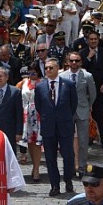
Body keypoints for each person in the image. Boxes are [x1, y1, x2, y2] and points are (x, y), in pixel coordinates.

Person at [34, 58, 77, 196]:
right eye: (46, 68)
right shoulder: (40, 86)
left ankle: (68, 179)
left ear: (57, 68)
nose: (48, 70)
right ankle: (54, 185)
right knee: (50, 158)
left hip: (65, 125)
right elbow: (39, 106)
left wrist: (64, 116)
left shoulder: (68, 84)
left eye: (51, 68)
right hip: (48, 126)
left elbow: (73, 104)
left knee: (68, 156)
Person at [60, 51, 97, 176]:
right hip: (67, 112)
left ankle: (82, 167)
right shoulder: (62, 76)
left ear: (81, 62)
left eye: (77, 60)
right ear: (67, 62)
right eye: (72, 60)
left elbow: (92, 94)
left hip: (82, 111)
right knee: (67, 141)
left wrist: (87, 106)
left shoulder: (87, 76)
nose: (74, 63)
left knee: (83, 142)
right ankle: (69, 167)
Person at [17, 62, 43, 182]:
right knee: (30, 142)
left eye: (34, 72)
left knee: (37, 143)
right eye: (30, 72)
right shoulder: (23, 83)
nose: (31, 75)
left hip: (38, 114)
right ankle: (34, 164)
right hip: (26, 114)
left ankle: (36, 169)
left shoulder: (42, 83)